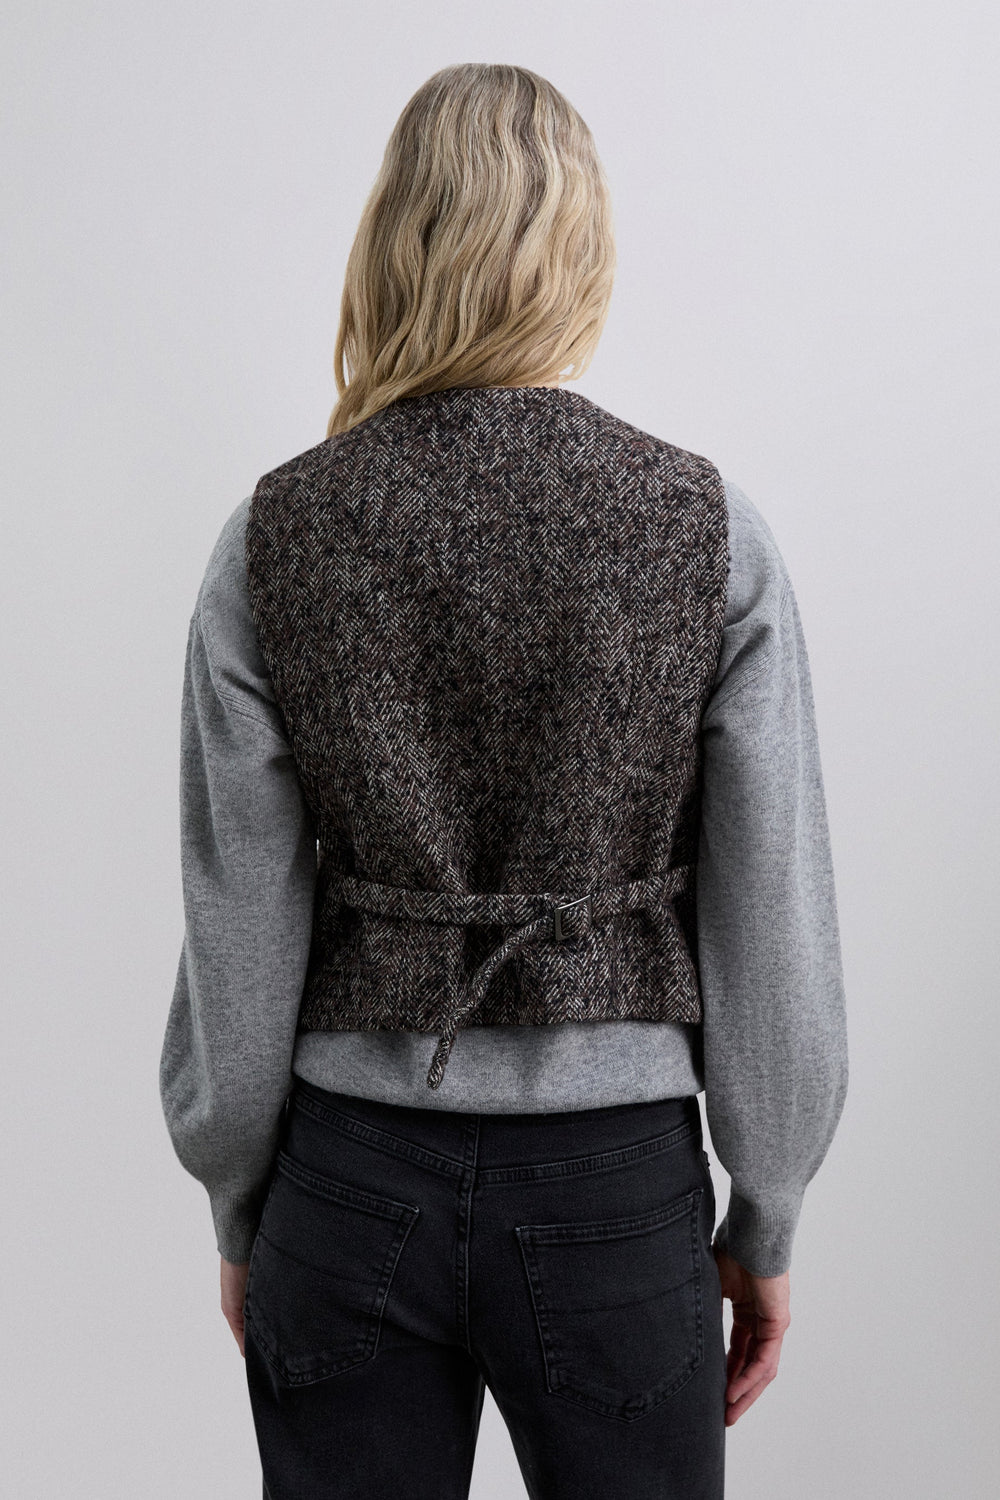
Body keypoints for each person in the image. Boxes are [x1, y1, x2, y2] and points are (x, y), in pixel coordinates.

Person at [159, 62, 848, 1500]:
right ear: (583, 252)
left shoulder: (275, 536)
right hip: (616, 1188)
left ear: (391, 242)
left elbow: (238, 922)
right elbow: (771, 908)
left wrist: (240, 1194)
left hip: (347, 1179)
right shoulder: (706, 531)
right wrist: (768, 1208)